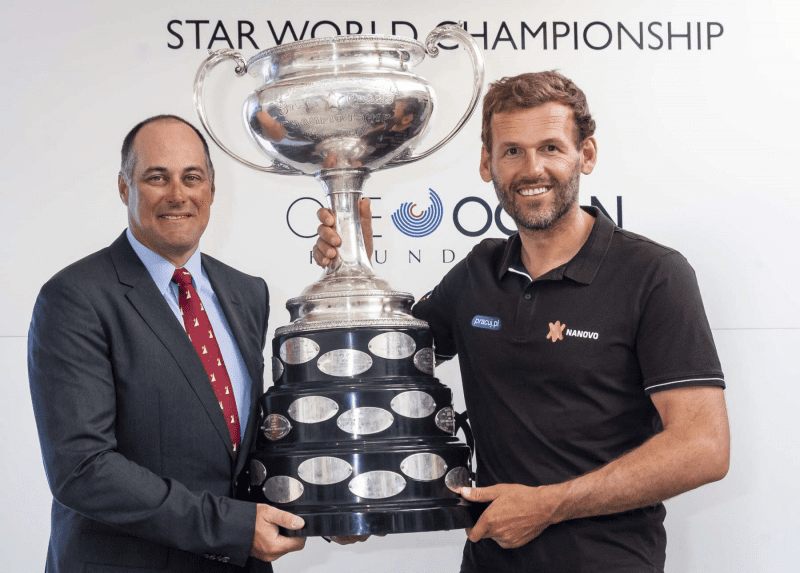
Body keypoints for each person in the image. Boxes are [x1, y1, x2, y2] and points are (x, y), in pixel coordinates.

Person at [313, 72, 730, 572]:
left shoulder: (653, 274)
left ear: (586, 154)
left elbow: (703, 446)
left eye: (551, 147)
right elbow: (383, 361)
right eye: (512, 151)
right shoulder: (478, 272)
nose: (532, 169)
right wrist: (353, 268)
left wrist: (549, 505)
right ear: (487, 163)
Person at [28, 115, 306, 572]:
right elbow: (83, 469)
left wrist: (324, 501)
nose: (178, 194)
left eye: (192, 177)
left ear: (211, 189)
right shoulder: (75, 297)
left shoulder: (246, 292)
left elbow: (241, 443)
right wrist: (233, 527)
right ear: (125, 188)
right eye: (157, 177)